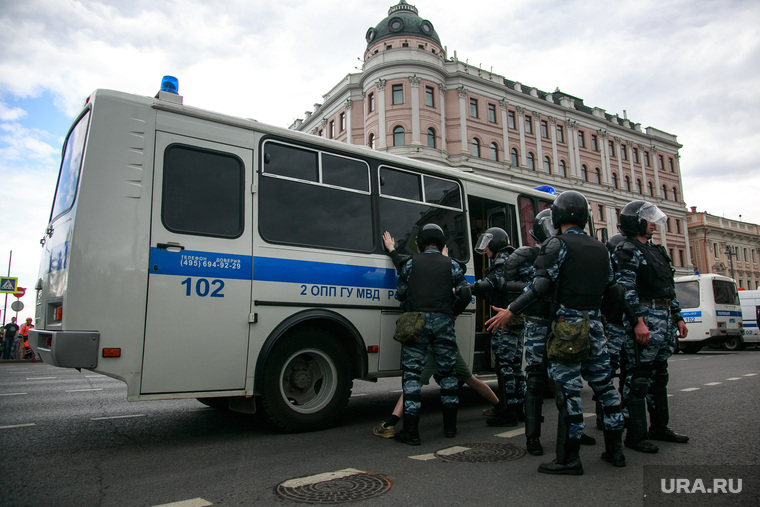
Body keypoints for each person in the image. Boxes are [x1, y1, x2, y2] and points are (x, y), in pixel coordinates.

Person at [486, 190, 626, 475]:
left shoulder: (556, 245)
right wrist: (611, 325)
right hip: (596, 325)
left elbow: (540, 286)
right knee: (605, 388)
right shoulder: (601, 248)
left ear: (558, 216)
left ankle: (569, 459)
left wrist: (511, 310)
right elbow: (614, 290)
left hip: (567, 328)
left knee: (568, 390)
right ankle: (616, 450)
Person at [613, 200, 689, 453]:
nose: (653, 223)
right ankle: (635, 435)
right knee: (638, 377)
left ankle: (659, 427)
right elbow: (625, 291)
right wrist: (637, 322)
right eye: (648, 219)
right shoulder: (626, 250)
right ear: (636, 222)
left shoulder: (657, 251)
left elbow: (669, 287)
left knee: (659, 376)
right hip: (645, 317)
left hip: (664, 317)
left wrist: (677, 316)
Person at [390, 224, 471, 445]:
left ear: (421, 242)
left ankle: (411, 432)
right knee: (448, 375)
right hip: (444, 322)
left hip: (417, 322)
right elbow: (465, 292)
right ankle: (450, 429)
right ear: (442, 243)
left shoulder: (410, 264)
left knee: (413, 375)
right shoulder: (452, 265)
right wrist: (452, 312)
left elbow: (401, 293)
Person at [373, 349, 500, 438]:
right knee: (471, 379)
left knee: (414, 385)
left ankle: (391, 424)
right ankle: (500, 406)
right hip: (449, 345)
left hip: (432, 348)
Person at [469, 227, 525, 427]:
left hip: (504, 323)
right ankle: (521, 409)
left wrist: (465, 289)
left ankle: (508, 412)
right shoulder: (514, 259)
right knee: (516, 366)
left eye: (487, 244)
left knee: (504, 367)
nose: (485, 249)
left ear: (495, 244)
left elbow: (488, 285)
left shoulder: (501, 262)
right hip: (516, 320)